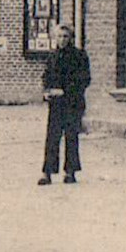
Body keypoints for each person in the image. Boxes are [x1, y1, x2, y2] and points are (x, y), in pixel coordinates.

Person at [39, 24, 90, 185]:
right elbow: (46, 76)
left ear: (71, 38)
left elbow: (84, 79)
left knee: (71, 136)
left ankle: (70, 172)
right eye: (59, 36)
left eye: (65, 37)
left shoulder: (79, 56)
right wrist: (46, 91)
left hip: (72, 103)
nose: (62, 40)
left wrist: (66, 91)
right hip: (55, 104)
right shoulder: (52, 56)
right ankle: (47, 172)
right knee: (52, 137)